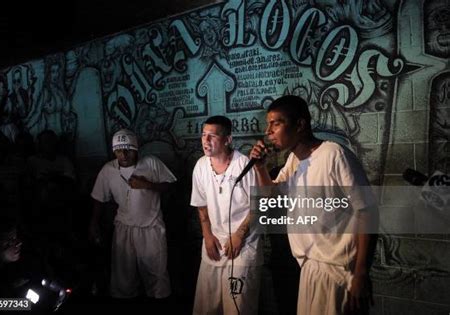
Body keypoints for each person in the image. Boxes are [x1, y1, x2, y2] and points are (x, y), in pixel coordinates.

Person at [250, 95, 377, 315]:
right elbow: (271, 196)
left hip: (339, 271)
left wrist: (361, 273)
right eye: (268, 124)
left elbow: (367, 212)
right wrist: (260, 168)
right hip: (310, 267)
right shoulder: (294, 161)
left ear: (300, 125)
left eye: (276, 123)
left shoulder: (334, 154)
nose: (268, 131)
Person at [90, 128, 176, 299]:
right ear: (114, 150)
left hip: (151, 228)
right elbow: (99, 198)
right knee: (123, 277)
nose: (123, 154)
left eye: (128, 150)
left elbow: (171, 185)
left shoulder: (151, 162)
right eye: (119, 150)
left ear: (136, 149)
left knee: (157, 274)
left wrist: (148, 185)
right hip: (124, 228)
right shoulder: (108, 170)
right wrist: (93, 224)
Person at [190, 116, 262, 315]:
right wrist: (207, 235)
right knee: (207, 305)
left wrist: (239, 234)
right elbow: (201, 205)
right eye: (203, 135)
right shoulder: (201, 166)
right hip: (214, 242)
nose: (206, 140)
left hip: (243, 244)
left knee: (238, 307)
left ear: (228, 139)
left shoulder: (244, 165)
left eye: (212, 136)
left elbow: (259, 205)